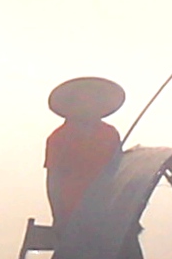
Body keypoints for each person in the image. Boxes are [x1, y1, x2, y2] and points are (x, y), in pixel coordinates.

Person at [40, 75, 126, 226]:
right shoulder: (59, 138)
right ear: (72, 104)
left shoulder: (110, 133)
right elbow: (53, 180)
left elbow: (120, 171)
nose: (90, 104)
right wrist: (58, 217)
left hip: (108, 211)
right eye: (85, 99)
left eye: (94, 99)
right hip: (73, 213)